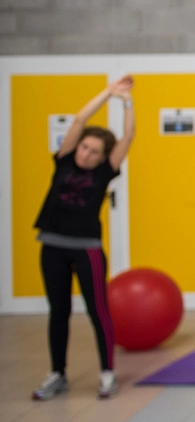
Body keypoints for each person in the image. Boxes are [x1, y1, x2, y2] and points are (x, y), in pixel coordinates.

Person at [32, 75, 135, 401]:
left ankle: (107, 373)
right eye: (85, 147)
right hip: (52, 245)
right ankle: (57, 374)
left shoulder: (104, 171)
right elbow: (79, 119)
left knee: (97, 310)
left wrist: (127, 101)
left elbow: (128, 136)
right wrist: (108, 92)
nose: (87, 155)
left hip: (86, 249)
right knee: (58, 311)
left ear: (103, 157)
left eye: (95, 152)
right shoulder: (64, 160)